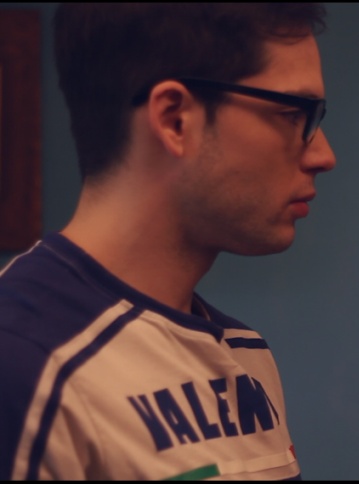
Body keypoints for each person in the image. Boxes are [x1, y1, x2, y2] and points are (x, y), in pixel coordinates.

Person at [0, 3, 335, 480]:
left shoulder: (246, 355)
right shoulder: (23, 366)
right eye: (292, 114)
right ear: (176, 120)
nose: (324, 155)